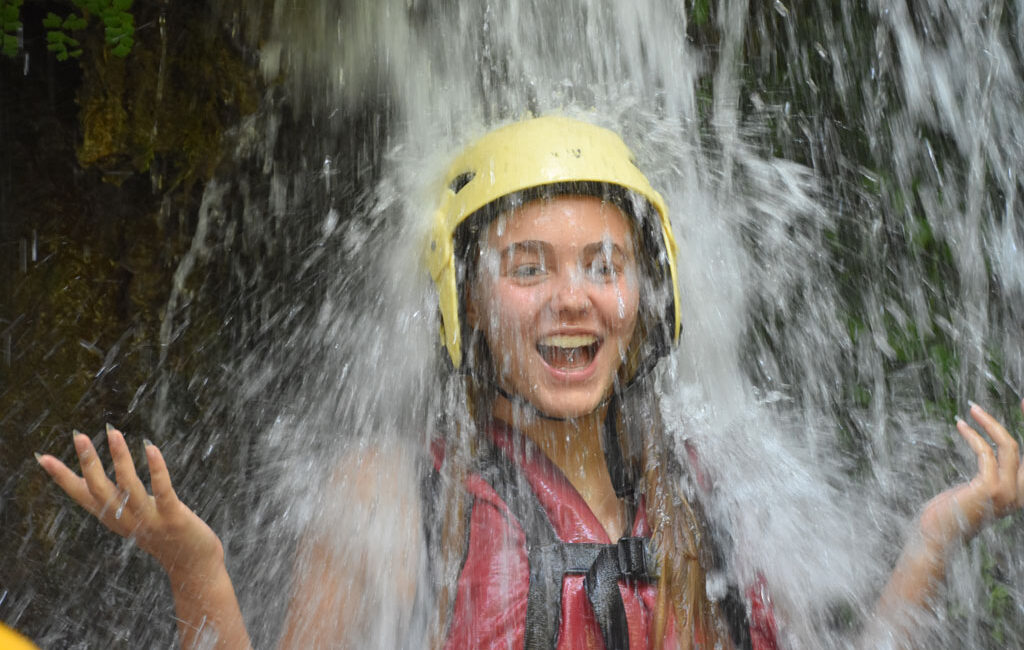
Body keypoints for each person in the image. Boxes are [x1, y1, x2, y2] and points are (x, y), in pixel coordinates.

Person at [36, 115, 1024, 649]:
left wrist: (931, 543)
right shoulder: (391, 498)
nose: (573, 298)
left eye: (603, 263)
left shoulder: (713, 496)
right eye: (528, 267)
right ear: (466, 298)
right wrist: (197, 573)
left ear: (648, 291)